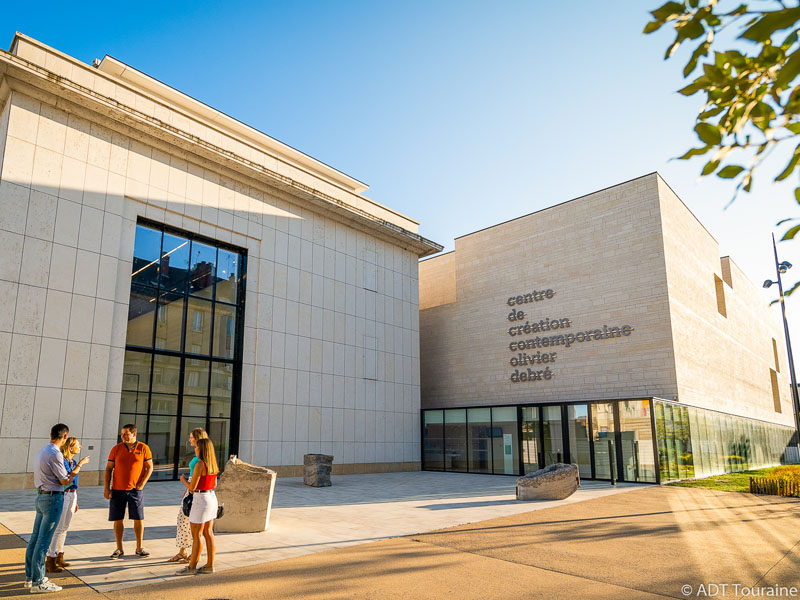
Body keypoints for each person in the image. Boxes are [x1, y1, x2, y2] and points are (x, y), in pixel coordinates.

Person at [25, 424, 89, 593]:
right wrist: (79, 467)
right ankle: (39, 582)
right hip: (53, 498)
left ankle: (30, 577)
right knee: (43, 541)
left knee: (35, 538)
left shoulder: (42, 451)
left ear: (50, 434)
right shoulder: (55, 454)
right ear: (65, 436)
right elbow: (64, 480)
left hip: (41, 496)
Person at [104, 424, 153, 559]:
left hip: (135, 491)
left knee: (138, 518)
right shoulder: (116, 449)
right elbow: (108, 469)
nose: (123, 437)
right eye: (122, 434)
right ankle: (119, 549)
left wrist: (142, 484)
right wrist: (106, 488)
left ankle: (139, 548)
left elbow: (150, 467)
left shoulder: (143, 448)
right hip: (117, 490)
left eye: (126, 434)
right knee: (118, 519)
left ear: (133, 434)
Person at [175, 438, 218, 575]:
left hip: (201, 500)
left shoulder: (200, 465)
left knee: (197, 534)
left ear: (202, 450)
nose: (195, 449)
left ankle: (191, 567)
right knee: (208, 533)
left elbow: (192, 488)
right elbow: (215, 484)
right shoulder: (213, 464)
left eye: (197, 448)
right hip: (211, 497)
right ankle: (210, 565)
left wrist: (183, 480)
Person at [168, 428, 208, 563]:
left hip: (195, 493)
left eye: (191, 437)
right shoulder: (197, 456)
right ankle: (183, 551)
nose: (189, 440)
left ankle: (194, 554)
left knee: (192, 525)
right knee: (182, 521)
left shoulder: (202, 459)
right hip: (190, 492)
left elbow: (194, 483)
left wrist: (184, 482)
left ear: (197, 439)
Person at [45, 437, 84, 574]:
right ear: (71, 447)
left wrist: (75, 501)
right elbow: (67, 478)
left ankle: (60, 555)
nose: (80, 446)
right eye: (78, 444)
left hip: (72, 494)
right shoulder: (64, 461)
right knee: (58, 528)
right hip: (64, 494)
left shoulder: (72, 461)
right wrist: (80, 464)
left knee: (65, 527)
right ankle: (51, 558)